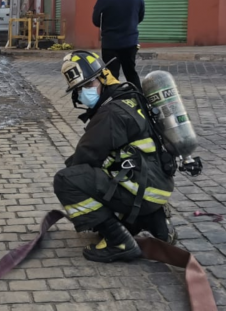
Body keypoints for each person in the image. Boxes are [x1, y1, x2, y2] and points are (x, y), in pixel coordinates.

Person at [54, 51, 176, 263]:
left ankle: (119, 242)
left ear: (103, 78)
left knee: (67, 180)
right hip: (155, 186)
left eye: (88, 85)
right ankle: (155, 222)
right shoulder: (128, 96)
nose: (84, 92)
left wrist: (75, 177)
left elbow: (86, 157)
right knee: (105, 169)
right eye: (79, 89)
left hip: (143, 188)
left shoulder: (110, 113)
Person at [92, 0, 144, 91]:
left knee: (111, 75)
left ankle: (113, 103)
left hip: (110, 44)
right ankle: (140, 100)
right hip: (130, 42)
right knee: (131, 72)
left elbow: (95, 20)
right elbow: (140, 17)